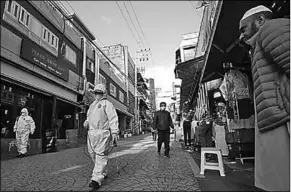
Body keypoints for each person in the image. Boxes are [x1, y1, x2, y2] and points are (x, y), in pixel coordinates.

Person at [239, 5, 289, 191]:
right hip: (274, 116)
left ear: (260, 20)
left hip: (281, 116)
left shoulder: (271, 30)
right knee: (278, 179)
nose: (241, 36)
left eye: (244, 28)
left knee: (280, 179)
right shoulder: (262, 40)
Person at [83, 83, 119, 190]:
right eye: (96, 93)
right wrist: (86, 122)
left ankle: (96, 179)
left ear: (103, 93)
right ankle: (103, 171)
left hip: (103, 133)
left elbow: (113, 118)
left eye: (99, 93)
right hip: (91, 134)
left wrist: (114, 132)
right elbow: (89, 117)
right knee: (92, 153)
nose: (97, 95)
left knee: (100, 155)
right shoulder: (92, 105)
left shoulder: (107, 104)